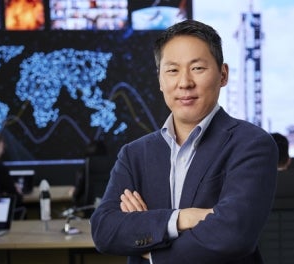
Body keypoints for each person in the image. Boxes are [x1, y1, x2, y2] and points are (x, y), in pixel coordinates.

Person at [90, 19, 278, 263]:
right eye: (172, 70)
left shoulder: (252, 145)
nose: (185, 82)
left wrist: (152, 248)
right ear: (160, 80)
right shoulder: (134, 154)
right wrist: (182, 218)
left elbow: (234, 233)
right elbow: (105, 230)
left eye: (197, 68)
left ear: (223, 74)